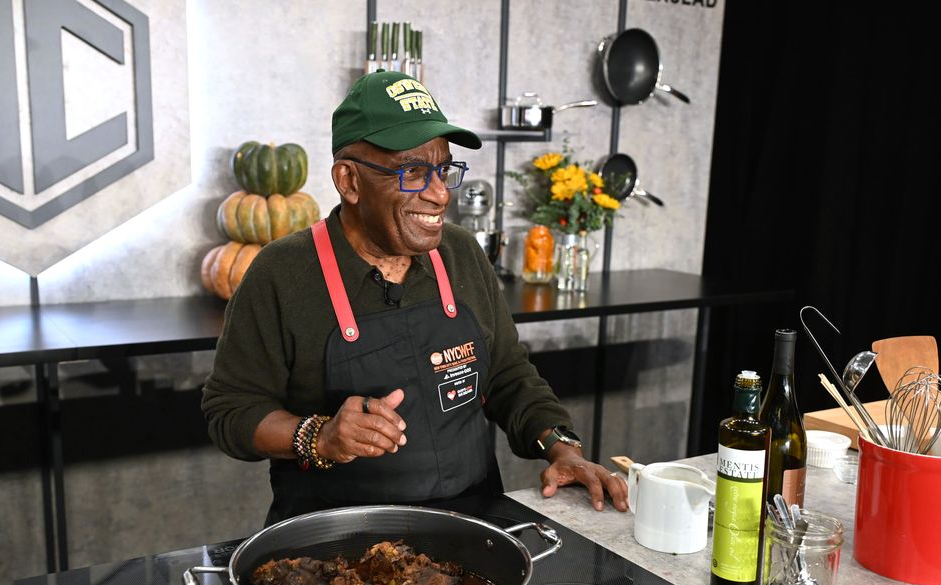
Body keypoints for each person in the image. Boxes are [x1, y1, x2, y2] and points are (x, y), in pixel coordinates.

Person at [202, 70, 628, 525]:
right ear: (349, 181)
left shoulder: (461, 253)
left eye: (443, 170)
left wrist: (562, 449)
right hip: (335, 543)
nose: (441, 193)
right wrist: (320, 436)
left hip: (472, 527)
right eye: (413, 173)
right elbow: (231, 412)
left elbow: (507, 374)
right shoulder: (282, 274)